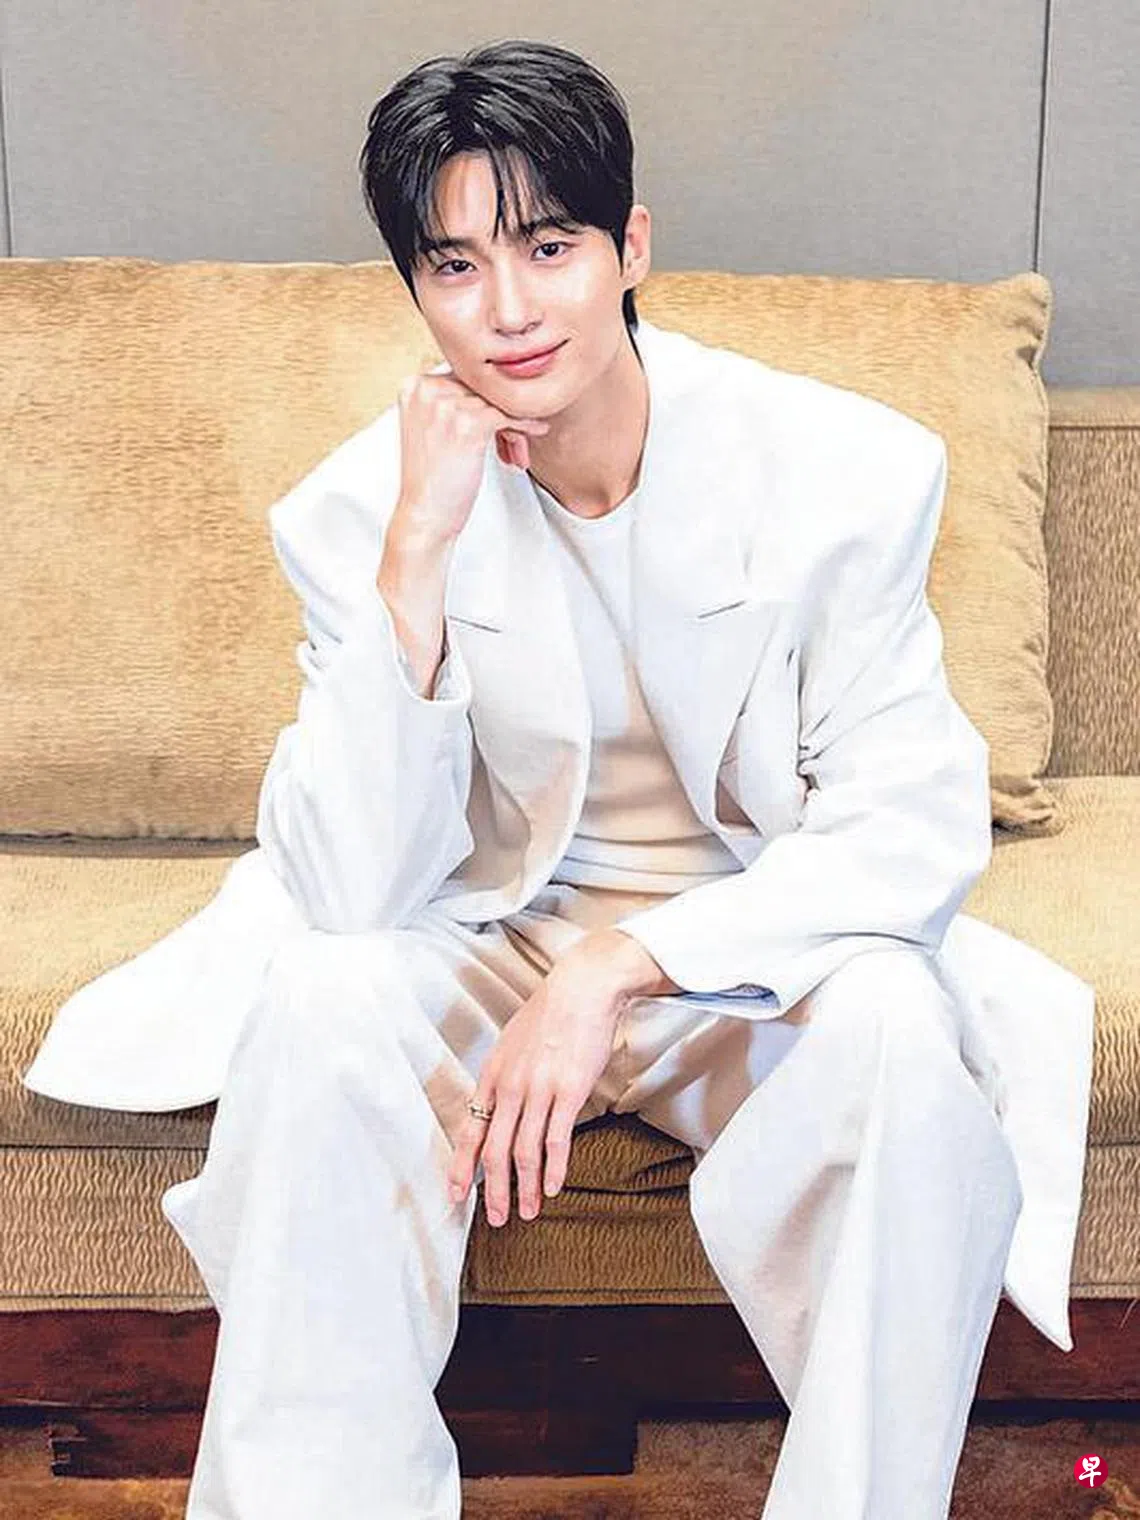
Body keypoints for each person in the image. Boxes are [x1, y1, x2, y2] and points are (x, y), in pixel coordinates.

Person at [28, 36, 1086, 1520]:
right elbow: (347, 890)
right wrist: (417, 554)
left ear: (630, 247)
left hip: (743, 954)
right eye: (455, 266)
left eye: (548, 246)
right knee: (320, 999)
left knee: (904, 1032)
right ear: (413, 291)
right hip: (489, 935)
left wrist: (617, 970)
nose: (510, 309)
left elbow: (904, 825)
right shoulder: (357, 509)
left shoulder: (846, 471)